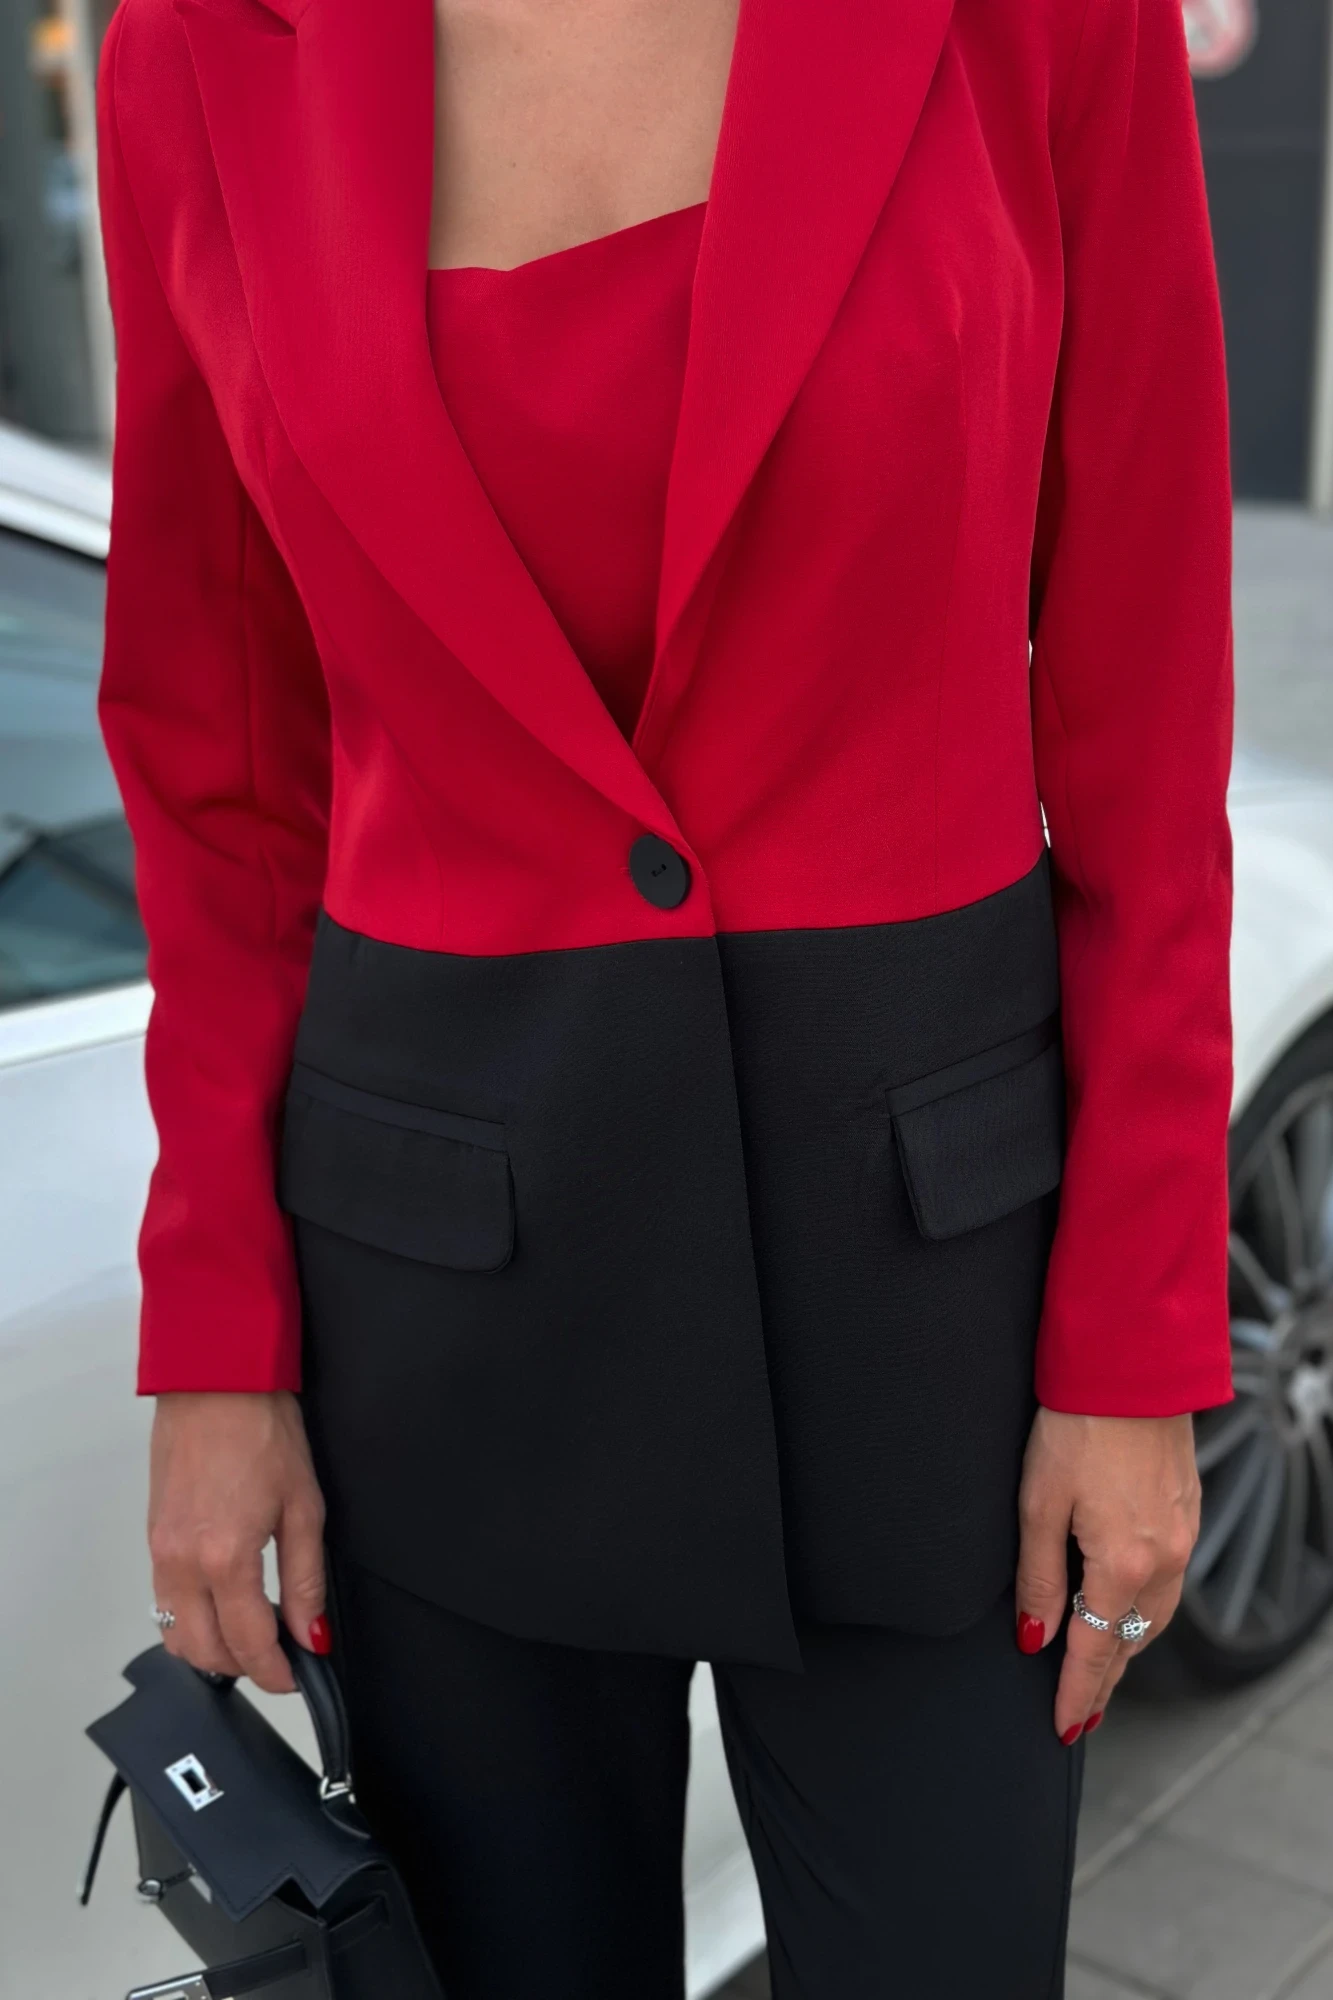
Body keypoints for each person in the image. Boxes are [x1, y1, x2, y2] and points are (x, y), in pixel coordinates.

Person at [94, 0, 1234, 1992]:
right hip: (439, 1308)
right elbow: (222, 781)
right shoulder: (198, 52)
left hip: (937, 1310)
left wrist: (1136, 1349)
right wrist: (218, 1345)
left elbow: (1144, 702)